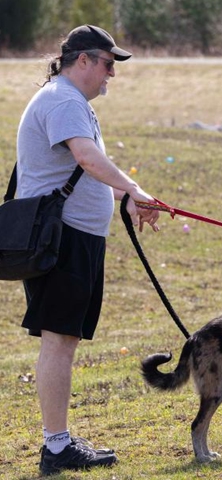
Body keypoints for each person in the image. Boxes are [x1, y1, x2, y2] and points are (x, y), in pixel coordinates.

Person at [15, 25, 160, 475]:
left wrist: (130, 197)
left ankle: (59, 441)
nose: (111, 75)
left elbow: (86, 173)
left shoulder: (70, 101)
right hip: (63, 239)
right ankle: (56, 448)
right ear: (83, 60)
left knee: (66, 338)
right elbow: (87, 160)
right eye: (108, 64)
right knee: (59, 339)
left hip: (75, 237)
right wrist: (135, 188)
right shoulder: (62, 100)